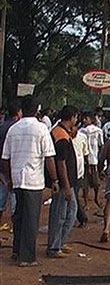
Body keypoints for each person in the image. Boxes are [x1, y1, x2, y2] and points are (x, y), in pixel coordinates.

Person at [1, 96, 58, 266]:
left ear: (22, 110)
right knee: (31, 218)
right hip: (34, 180)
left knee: (18, 215)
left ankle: (17, 249)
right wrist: (54, 179)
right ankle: (26, 257)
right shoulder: (41, 129)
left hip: (17, 178)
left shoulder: (13, 129)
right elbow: (49, 158)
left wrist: (9, 178)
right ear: (37, 110)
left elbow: (5, 158)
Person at [47, 105, 79, 258]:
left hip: (67, 182)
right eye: (75, 117)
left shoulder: (60, 132)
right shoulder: (60, 136)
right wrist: (65, 186)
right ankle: (54, 247)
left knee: (69, 212)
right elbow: (61, 162)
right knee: (61, 214)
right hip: (64, 183)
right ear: (72, 117)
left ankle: (58, 242)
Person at [0, 100, 22, 231]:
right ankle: (16, 231)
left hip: (2, 172)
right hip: (15, 170)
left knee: (1, 205)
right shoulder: (18, 128)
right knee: (16, 205)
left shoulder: (2, 127)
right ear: (19, 112)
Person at [80, 112, 103, 208]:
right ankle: (89, 201)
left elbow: (101, 145)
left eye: (86, 118)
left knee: (92, 181)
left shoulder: (96, 131)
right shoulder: (81, 131)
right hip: (89, 159)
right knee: (88, 182)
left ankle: (94, 199)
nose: (84, 120)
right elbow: (101, 145)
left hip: (92, 159)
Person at [70, 125, 89, 228]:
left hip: (79, 172)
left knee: (74, 197)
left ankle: (81, 217)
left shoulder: (82, 137)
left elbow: (85, 153)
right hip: (69, 171)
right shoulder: (66, 138)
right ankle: (75, 217)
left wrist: (88, 168)